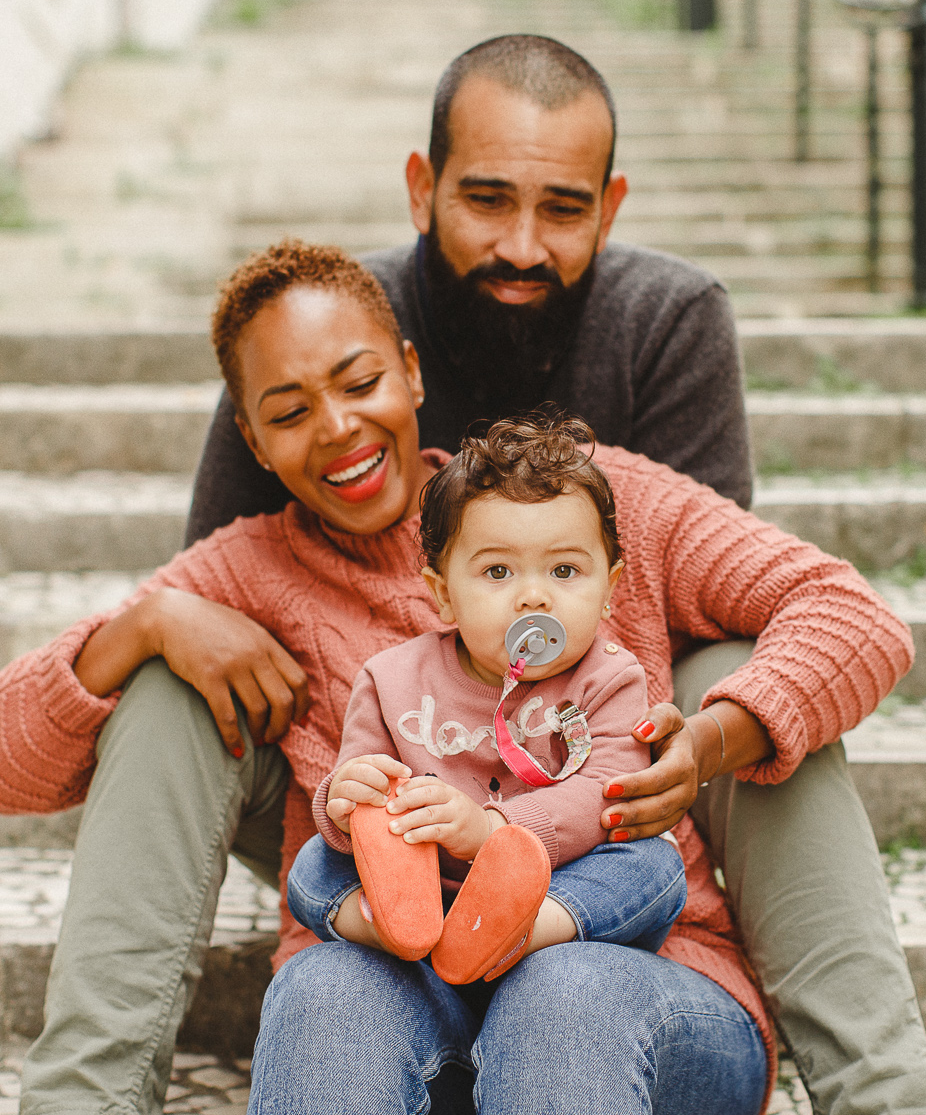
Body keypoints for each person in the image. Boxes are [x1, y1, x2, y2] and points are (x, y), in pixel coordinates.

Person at [0, 33, 926, 1115]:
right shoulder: (258, 566)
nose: (339, 429)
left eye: (359, 386)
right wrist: (147, 628)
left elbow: (842, 616)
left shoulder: (615, 502)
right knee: (320, 975)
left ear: (408, 371)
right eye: (291, 409)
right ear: (248, 438)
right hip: (394, 971)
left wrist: (717, 730)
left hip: (622, 954)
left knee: (613, 900)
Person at [291, 412, 687, 983]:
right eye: (498, 571)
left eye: (566, 569)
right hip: (427, 884)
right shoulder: (389, 679)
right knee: (314, 866)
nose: (534, 596)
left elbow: (604, 794)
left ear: (609, 589)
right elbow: (364, 784)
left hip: (553, 886)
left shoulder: (611, 679)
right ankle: (397, 926)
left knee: (652, 865)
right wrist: (347, 800)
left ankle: (522, 933)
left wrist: (493, 832)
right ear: (444, 594)